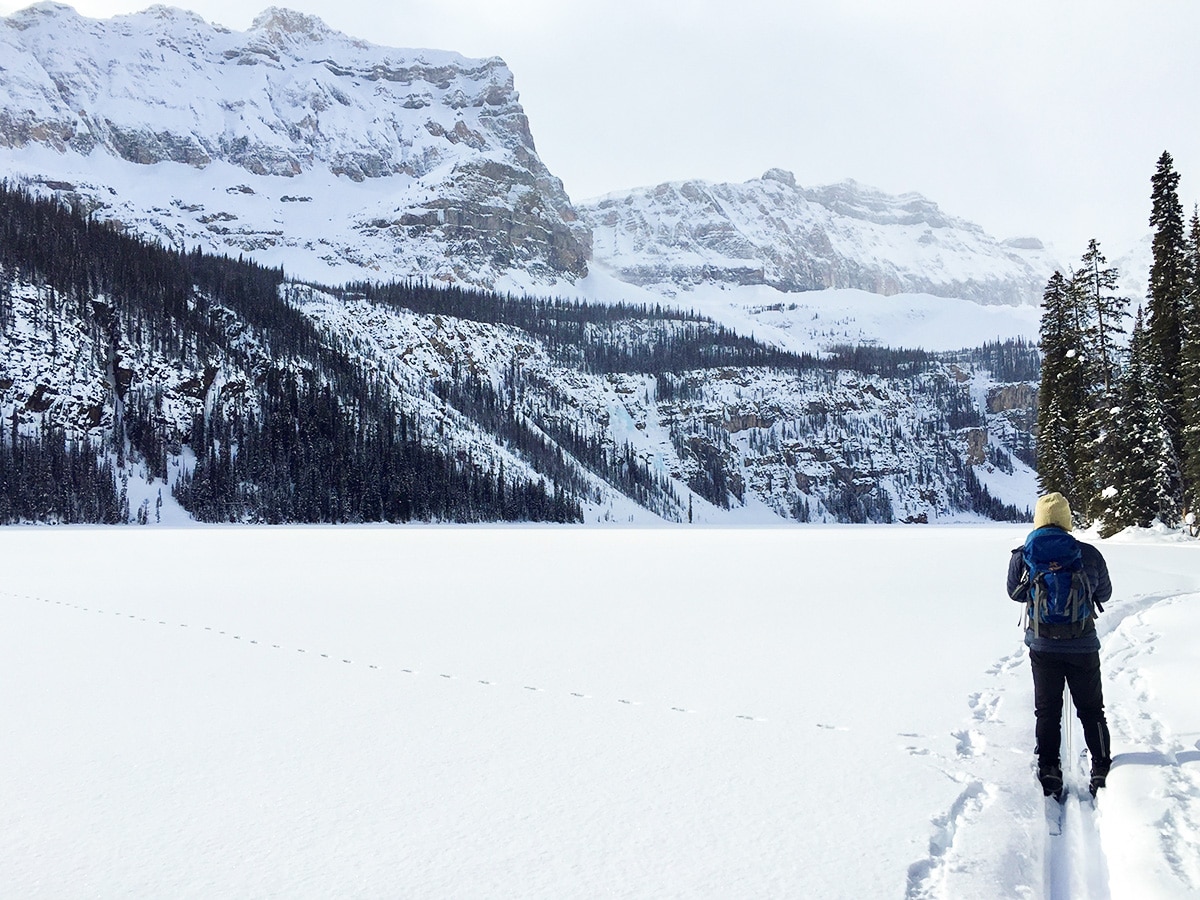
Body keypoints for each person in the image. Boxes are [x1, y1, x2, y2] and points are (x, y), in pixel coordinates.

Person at [1007, 492, 1113, 798]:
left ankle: (1049, 770)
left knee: (1047, 710)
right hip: (1082, 644)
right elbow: (1104, 594)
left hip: (1043, 645)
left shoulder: (1024, 554)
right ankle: (1101, 766)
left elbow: (1014, 593)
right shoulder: (1088, 553)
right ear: (1067, 519)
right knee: (1092, 709)